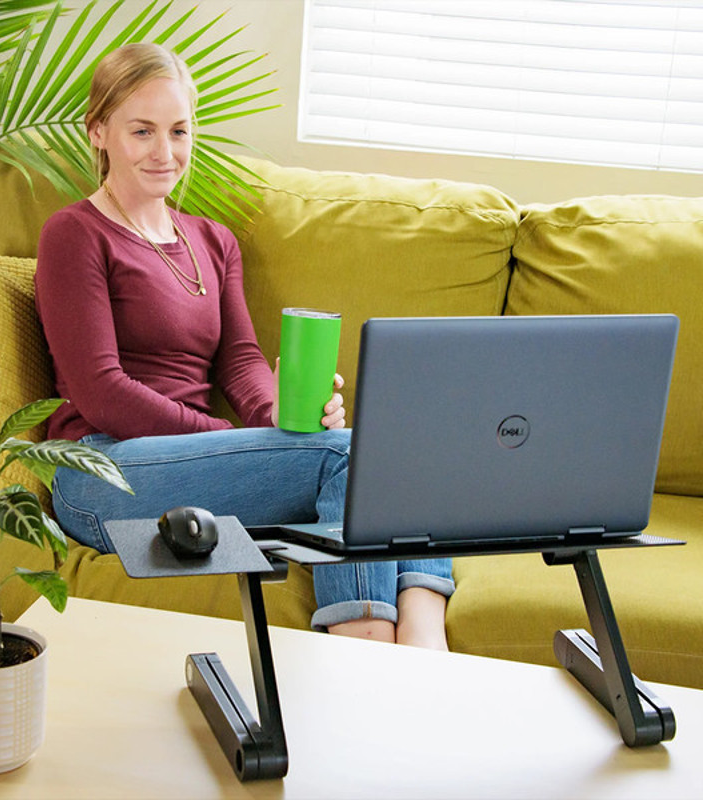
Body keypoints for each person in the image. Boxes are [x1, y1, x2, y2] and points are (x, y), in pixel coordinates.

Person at [35, 43, 454, 648]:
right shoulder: (75, 233)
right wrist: (232, 438)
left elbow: (239, 360)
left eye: (179, 131)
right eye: (142, 131)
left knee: (392, 449)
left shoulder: (212, 240)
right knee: (351, 458)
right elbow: (100, 392)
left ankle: (422, 648)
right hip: (103, 472)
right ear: (98, 131)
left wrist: (283, 417)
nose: (165, 152)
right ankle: (366, 651)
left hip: (195, 463)